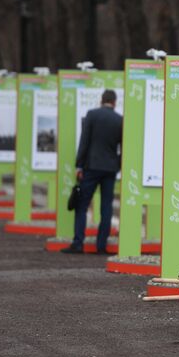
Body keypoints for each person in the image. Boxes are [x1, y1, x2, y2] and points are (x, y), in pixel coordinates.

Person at [61, 90, 122, 255]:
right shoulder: (119, 119)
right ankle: (101, 246)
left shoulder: (92, 115)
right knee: (106, 206)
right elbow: (122, 146)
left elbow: (84, 141)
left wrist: (79, 165)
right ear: (114, 102)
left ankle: (78, 243)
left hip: (92, 166)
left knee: (82, 204)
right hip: (110, 168)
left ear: (101, 100)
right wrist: (117, 165)